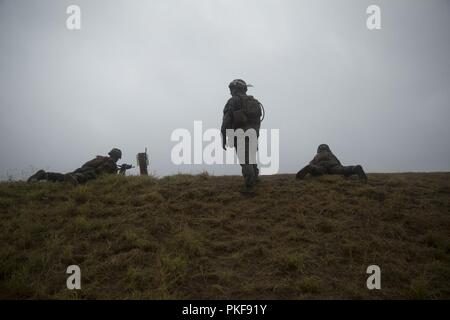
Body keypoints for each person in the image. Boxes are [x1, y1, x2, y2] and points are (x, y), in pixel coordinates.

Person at [221, 79, 263, 190]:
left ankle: (250, 185)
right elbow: (258, 120)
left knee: (245, 159)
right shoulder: (254, 102)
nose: (230, 92)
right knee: (251, 157)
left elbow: (226, 120)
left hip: (240, 134)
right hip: (253, 134)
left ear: (236, 89)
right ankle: (255, 177)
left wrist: (224, 136)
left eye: (231, 89)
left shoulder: (233, 101)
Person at [27, 148, 122, 184]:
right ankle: (75, 177)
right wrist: (120, 171)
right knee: (87, 176)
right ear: (116, 157)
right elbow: (101, 172)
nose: (116, 159)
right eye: (117, 157)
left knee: (64, 178)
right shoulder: (110, 163)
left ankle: (43, 175)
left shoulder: (101, 158)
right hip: (90, 172)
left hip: (83, 168)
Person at [296, 144, 367, 181]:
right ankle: (355, 169)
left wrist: (311, 166)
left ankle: (308, 169)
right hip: (333, 166)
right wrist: (345, 172)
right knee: (343, 170)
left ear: (318, 149)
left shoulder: (317, 155)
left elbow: (311, 162)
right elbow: (338, 162)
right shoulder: (331, 154)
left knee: (315, 170)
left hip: (321, 167)